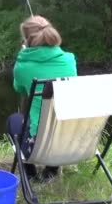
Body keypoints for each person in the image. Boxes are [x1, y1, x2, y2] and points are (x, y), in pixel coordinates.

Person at [7, 15, 77, 181]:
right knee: (57, 118)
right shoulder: (70, 60)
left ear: (27, 40)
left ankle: (30, 172)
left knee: (14, 120)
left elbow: (18, 88)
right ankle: (51, 171)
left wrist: (24, 54)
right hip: (69, 143)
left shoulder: (22, 66)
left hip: (37, 147)